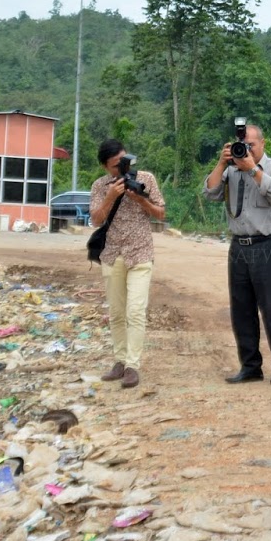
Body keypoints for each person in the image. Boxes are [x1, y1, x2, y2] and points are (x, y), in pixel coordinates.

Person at [204, 122, 271, 385]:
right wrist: (223, 163)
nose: (247, 150)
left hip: (267, 245)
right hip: (238, 248)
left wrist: (252, 169)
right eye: (243, 146)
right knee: (241, 310)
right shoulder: (231, 170)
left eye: (252, 145)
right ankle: (250, 366)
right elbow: (210, 193)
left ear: (262, 144)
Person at [88, 139, 167, 390]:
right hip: (112, 254)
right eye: (114, 166)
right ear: (105, 167)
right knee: (116, 313)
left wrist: (140, 199)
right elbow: (96, 220)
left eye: (123, 162)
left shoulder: (146, 178)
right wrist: (111, 196)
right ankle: (119, 361)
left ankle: (133, 365)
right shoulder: (100, 186)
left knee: (135, 311)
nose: (120, 169)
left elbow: (161, 214)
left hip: (140, 253)